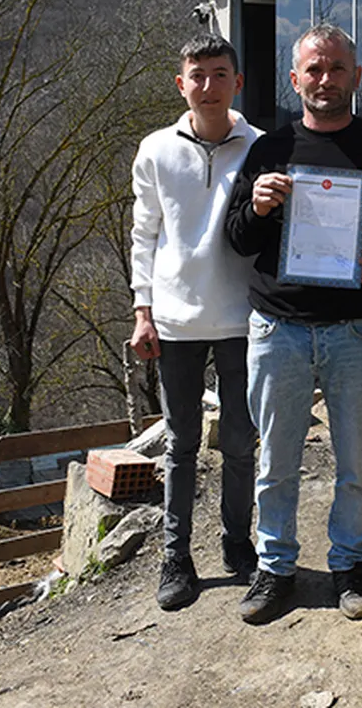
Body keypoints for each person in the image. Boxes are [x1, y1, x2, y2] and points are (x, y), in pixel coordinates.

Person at [225, 23, 362, 625]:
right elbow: (237, 239)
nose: (326, 79)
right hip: (278, 329)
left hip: (354, 331)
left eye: (337, 68)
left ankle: (350, 565)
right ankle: (275, 567)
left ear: (356, 77)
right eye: (314, 69)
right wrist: (257, 207)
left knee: (357, 463)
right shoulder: (268, 151)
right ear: (295, 79)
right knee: (275, 461)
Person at [129, 32, 261, 611]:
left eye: (219, 74)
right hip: (175, 321)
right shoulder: (156, 150)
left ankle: (238, 543)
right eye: (197, 76)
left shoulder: (260, 146)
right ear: (181, 84)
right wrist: (143, 311)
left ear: (238, 82)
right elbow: (144, 234)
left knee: (240, 442)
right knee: (180, 445)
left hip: (242, 318)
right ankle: (176, 557)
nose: (209, 86)